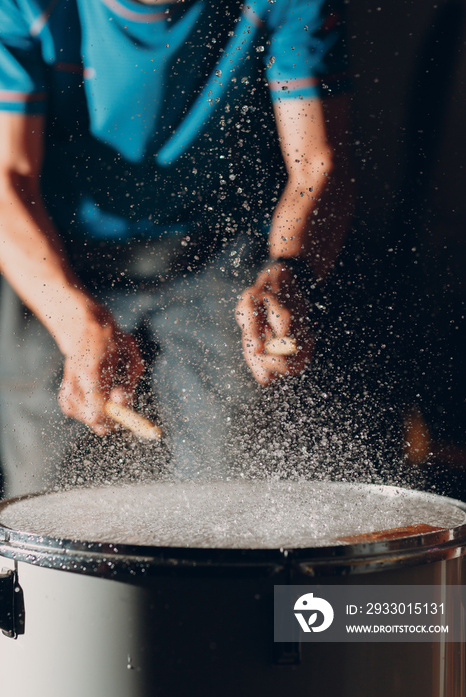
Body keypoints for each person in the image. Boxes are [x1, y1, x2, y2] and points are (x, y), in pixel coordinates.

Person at [0, 0, 353, 496]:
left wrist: (288, 269)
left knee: (227, 492)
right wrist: (72, 319)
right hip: (55, 256)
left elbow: (316, 163)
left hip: (214, 253)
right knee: (40, 495)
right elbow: (6, 180)